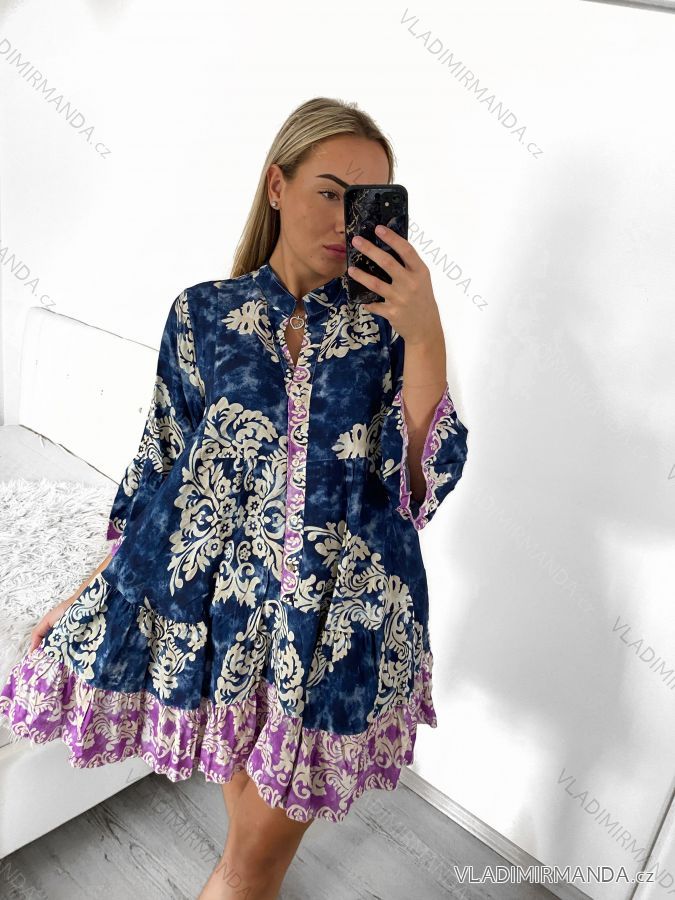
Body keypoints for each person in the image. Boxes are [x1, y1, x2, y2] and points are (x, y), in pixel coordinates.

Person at [0, 96, 469, 900]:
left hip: (337, 627)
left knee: (249, 867)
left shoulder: (392, 328)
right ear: (277, 186)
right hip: (228, 614)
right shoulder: (202, 314)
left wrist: (424, 333)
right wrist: (91, 584)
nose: (345, 221)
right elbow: (162, 463)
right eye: (329, 192)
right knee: (248, 845)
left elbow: (422, 484)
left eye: (365, 202)